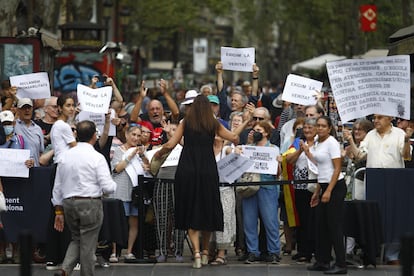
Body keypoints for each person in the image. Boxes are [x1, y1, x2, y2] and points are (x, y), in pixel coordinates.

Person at [153, 95, 239, 269]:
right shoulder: (212, 123)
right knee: (207, 209)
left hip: (187, 169)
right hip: (208, 170)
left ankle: (197, 253)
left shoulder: (186, 122)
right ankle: (207, 252)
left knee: (191, 209)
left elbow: (170, 144)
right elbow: (233, 137)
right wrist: (246, 122)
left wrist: (158, 153)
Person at [52, 120, 117, 276]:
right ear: (94, 136)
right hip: (90, 203)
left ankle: (65, 270)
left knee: (77, 238)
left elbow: (57, 186)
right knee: (88, 244)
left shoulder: (65, 156)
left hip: (68, 203)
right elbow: (108, 186)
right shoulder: (96, 157)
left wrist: (58, 210)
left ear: (76, 135)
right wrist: (112, 186)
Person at [346, 114, 413, 265]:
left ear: (389, 118)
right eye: (374, 118)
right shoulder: (370, 135)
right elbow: (360, 155)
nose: (375, 121)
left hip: (395, 181)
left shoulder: (399, 134)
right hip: (375, 180)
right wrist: (350, 140)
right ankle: (371, 251)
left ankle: (392, 254)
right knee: (374, 214)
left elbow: (406, 156)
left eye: (380, 117)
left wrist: (407, 140)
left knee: (394, 215)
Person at [303, 116, 347, 274]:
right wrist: (318, 191)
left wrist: (328, 191)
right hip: (322, 185)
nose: (320, 128)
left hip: (335, 187)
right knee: (321, 225)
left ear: (329, 129)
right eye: (318, 126)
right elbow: (320, 167)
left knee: (334, 226)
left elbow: (336, 168)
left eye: (323, 126)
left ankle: (341, 263)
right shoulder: (317, 142)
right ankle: (323, 260)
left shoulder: (332, 143)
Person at [235, 120, 282, 265]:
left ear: (267, 132)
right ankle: (253, 251)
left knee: (271, 221)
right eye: (254, 130)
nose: (256, 132)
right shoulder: (248, 148)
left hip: (268, 187)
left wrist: (278, 162)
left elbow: (278, 173)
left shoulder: (273, 148)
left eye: (259, 130)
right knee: (249, 222)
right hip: (250, 187)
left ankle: (274, 252)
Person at [45, 94, 77, 271]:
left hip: (62, 168)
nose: (71, 108)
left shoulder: (60, 126)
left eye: (73, 105)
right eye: (68, 105)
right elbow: (76, 148)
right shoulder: (63, 126)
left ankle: (54, 257)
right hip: (63, 169)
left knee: (59, 212)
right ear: (60, 108)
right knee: (62, 212)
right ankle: (60, 257)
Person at [110, 125, 149, 262]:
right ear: (126, 135)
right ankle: (114, 252)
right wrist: (130, 156)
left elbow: (149, 169)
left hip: (135, 192)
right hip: (120, 190)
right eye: (133, 134)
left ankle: (129, 251)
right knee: (118, 222)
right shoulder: (118, 150)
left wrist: (143, 157)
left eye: (139, 136)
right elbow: (117, 168)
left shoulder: (141, 152)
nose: (136, 138)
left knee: (134, 222)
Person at [286, 118, 318, 263]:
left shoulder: (320, 143)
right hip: (299, 186)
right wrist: (301, 150)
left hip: (314, 186)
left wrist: (308, 151)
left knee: (312, 219)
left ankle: (312, 249)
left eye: (310, 128)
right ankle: (302, 249)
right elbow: (289, 160)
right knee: (302, 219)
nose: (307, 130)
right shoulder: (299, 143)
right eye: (305, 128)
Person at [14, 98, 44, 167]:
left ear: (32, 109)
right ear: (18, 110)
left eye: (29, 108)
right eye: (24, 108)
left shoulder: (38, 129)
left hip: (35, 170)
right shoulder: (13, 126)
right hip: (17, 170)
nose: (27, 110)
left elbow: (41, 152)